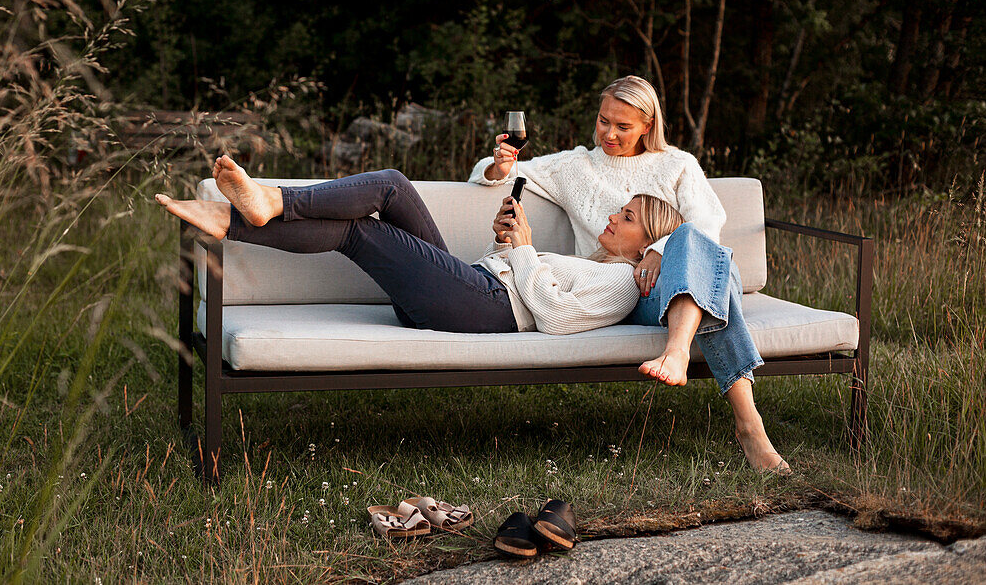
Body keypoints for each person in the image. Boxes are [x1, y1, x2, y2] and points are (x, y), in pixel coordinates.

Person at [472, 76, 789, 473]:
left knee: (701, 248)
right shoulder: (575, 165)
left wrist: (658, 250)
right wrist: (498, 165)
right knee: (719, 282)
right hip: (632, 291)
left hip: (682, 276)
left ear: (647, 125)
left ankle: (683, 358)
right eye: (604, 121)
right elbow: (495, 172)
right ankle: (748, 423)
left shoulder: (678, 164)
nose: (610, 134)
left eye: (623, 126)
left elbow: (708, 221)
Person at [155, 155, 677, 336]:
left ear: (648, 241)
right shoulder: (602, 266)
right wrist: (509, 247)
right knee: (392, 188)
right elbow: (533, 284)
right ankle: (249, 212)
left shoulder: (623, 283)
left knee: (364, 226)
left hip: (485, 305)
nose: (612, 216)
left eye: (626, 217)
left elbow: (557, 320)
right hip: (474, 289)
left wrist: (522, 252)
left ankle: (258, 209)